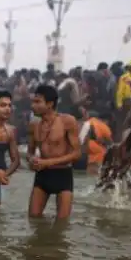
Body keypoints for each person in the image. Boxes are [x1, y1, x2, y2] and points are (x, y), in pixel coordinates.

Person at [27, 85, 81, 220]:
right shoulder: (34, 125)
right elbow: (29, 152)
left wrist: (47, 162)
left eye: (37, 102)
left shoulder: (67, 121)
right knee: (34, 219)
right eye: (33, 101)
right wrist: (31, 160)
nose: (33, 105)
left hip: (63, 175)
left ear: (50, 104)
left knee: (62, 224)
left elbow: (76, 154)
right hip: (42, 176)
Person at [96, 125, 131, 193]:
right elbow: (112, 173)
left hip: (114, 182)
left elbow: (122, 174)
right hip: (106, 184)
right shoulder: (115, 150)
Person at [79, 108, 113, 176]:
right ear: (106, 120)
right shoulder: (104, 126)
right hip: (94, 149)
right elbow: (110, 144)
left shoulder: (84, 123)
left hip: (79, 150)